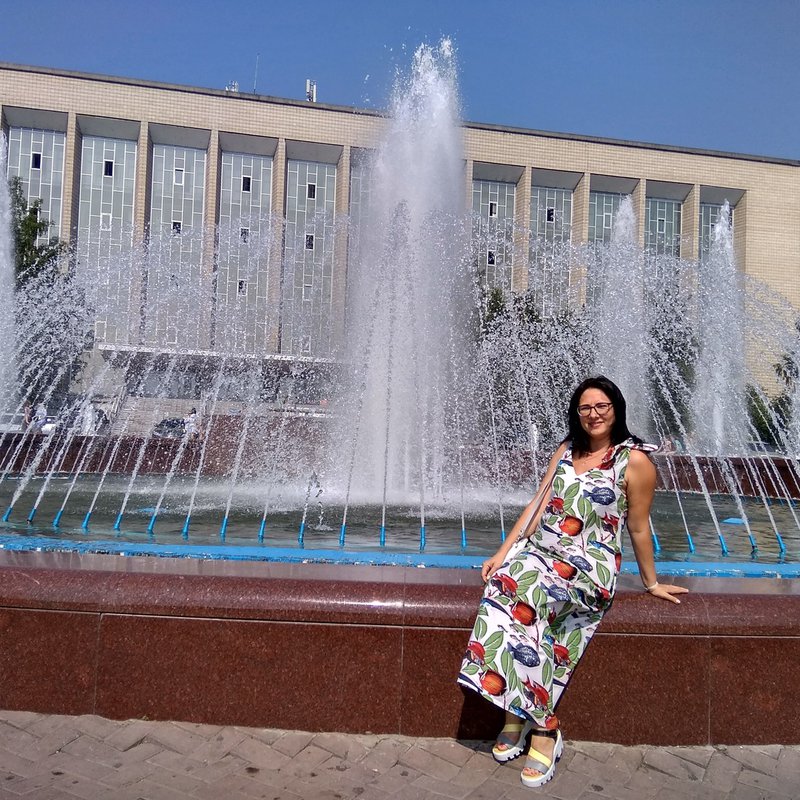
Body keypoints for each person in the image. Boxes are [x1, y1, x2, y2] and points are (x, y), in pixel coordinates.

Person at [457, 375, 688, 789]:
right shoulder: (566, 450)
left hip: (587, 568)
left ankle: (539, 727)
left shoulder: (634, 461)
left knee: (526, 594)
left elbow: (638, 527)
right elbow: (538, 503)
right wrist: (502, 552)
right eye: (585, 408)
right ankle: (523, 714)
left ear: (616, 409)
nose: (593, 414)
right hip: (541, 553)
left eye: (601, 406)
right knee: (500, 589)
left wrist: (651, 583)